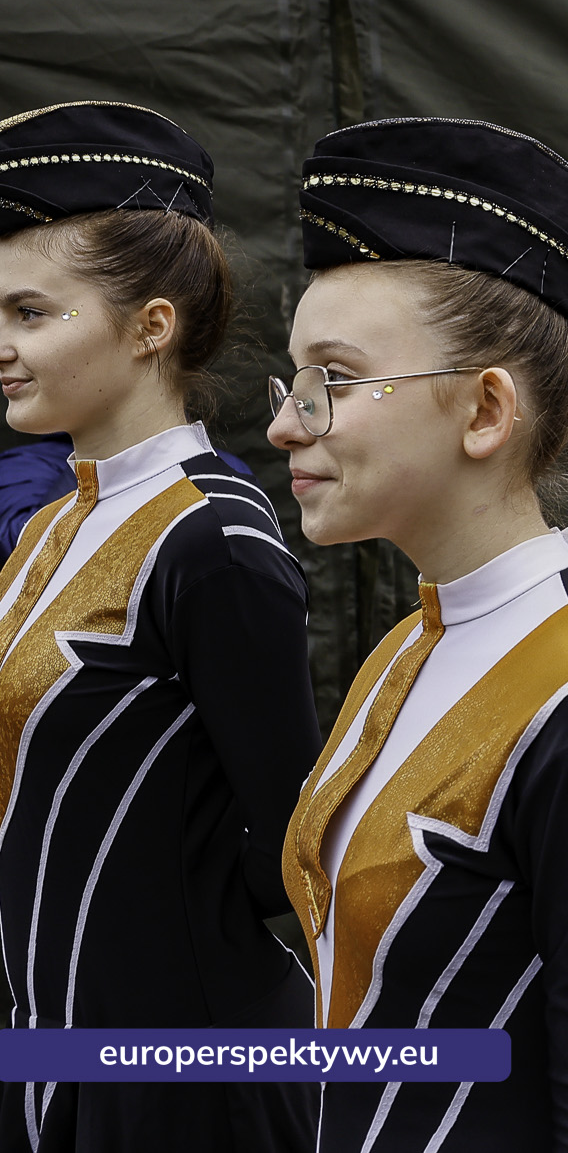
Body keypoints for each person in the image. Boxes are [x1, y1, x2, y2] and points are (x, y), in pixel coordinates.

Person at [270, 118, 568, 1152]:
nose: (285, 423)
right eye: (294, 382)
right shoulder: (407, 647)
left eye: (333, 380)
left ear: (485, 410)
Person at [0, 102, 322, 1150]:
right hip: (52, 1046)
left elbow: (289, 838)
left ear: (150, 326)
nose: (2, 347)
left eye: (30, 313)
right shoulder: (52, 527)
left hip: (182, 1074)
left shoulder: (215, 539)